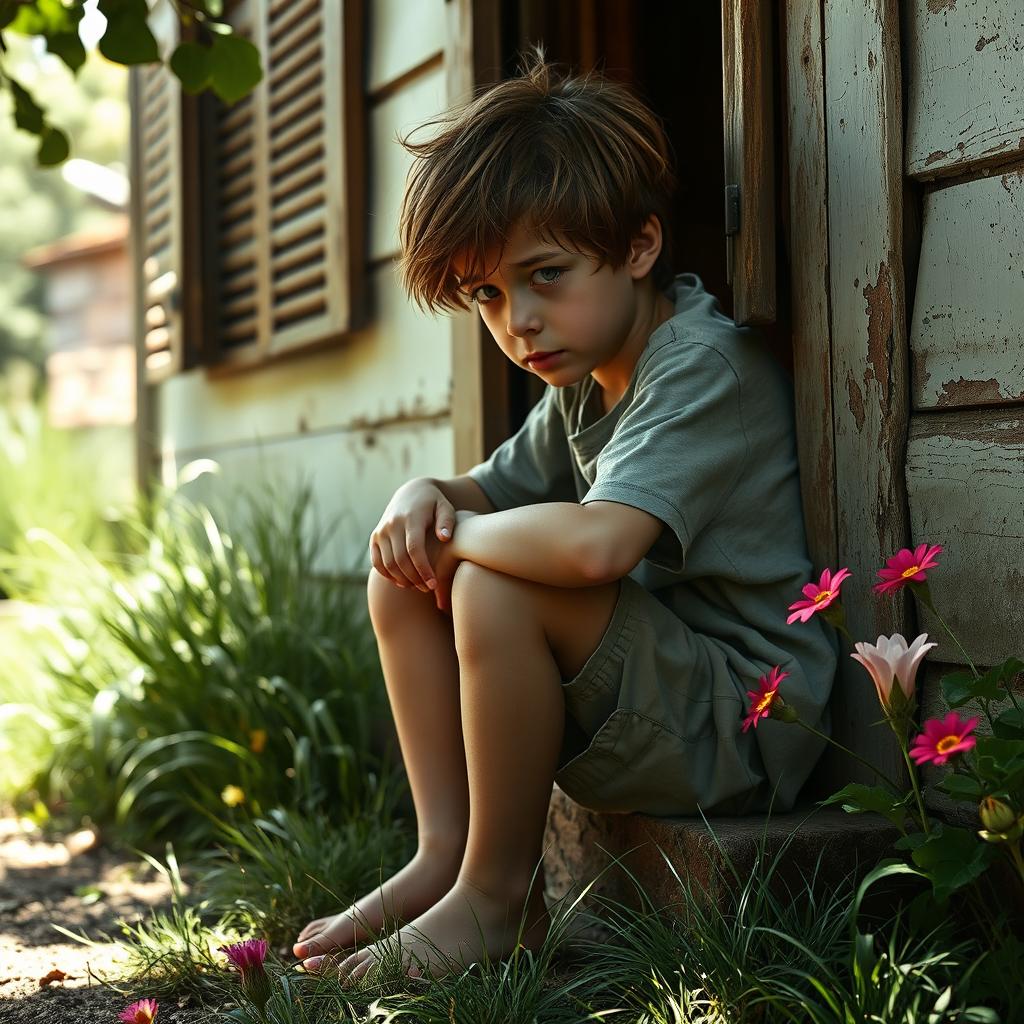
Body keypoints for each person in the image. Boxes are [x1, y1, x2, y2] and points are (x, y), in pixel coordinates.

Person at [292, 47, 837, 986]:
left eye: (545, 276)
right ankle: (445, 857)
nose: (519, 323)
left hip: (747, 718)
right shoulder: (586, 382)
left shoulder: (697, 365)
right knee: (413, 569)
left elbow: (597, 546)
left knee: (489, 579)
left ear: (638, 247)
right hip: (670, 686)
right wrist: (423, 498)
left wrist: (454, 541)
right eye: (490, 296)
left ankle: (497, 900)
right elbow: (487, 494)